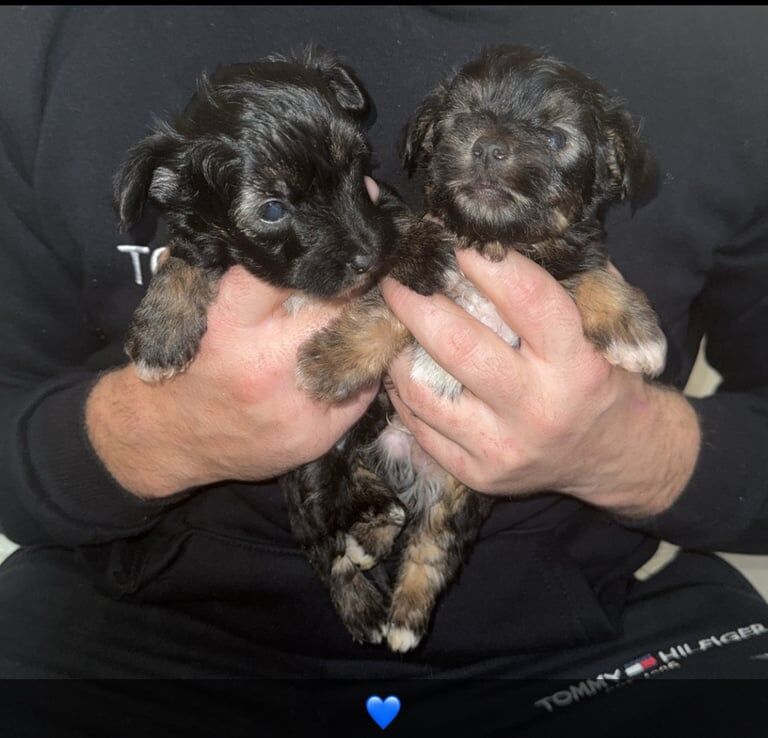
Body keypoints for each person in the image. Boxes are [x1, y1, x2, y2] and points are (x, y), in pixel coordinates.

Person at [0, 5, 766, 734]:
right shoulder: (53, 32)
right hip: (130, 629)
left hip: (595, 637)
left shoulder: (735, 50)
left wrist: (630, 450)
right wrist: (165, 431)